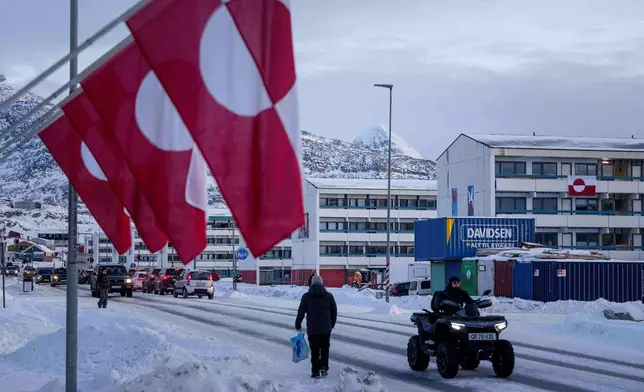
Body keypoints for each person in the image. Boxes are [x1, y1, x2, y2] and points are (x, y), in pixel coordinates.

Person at [295, 275, 337, 378]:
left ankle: (315, 371)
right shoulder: (329, 296)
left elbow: (301, 312)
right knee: (324, 349)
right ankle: (324, 368)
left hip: (312, 329)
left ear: (311, 284)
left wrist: (298, 323)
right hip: (325, 329)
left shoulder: (306, 297)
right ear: (322, 283)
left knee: (314, 350)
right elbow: (334, 312)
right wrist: (331, 325)